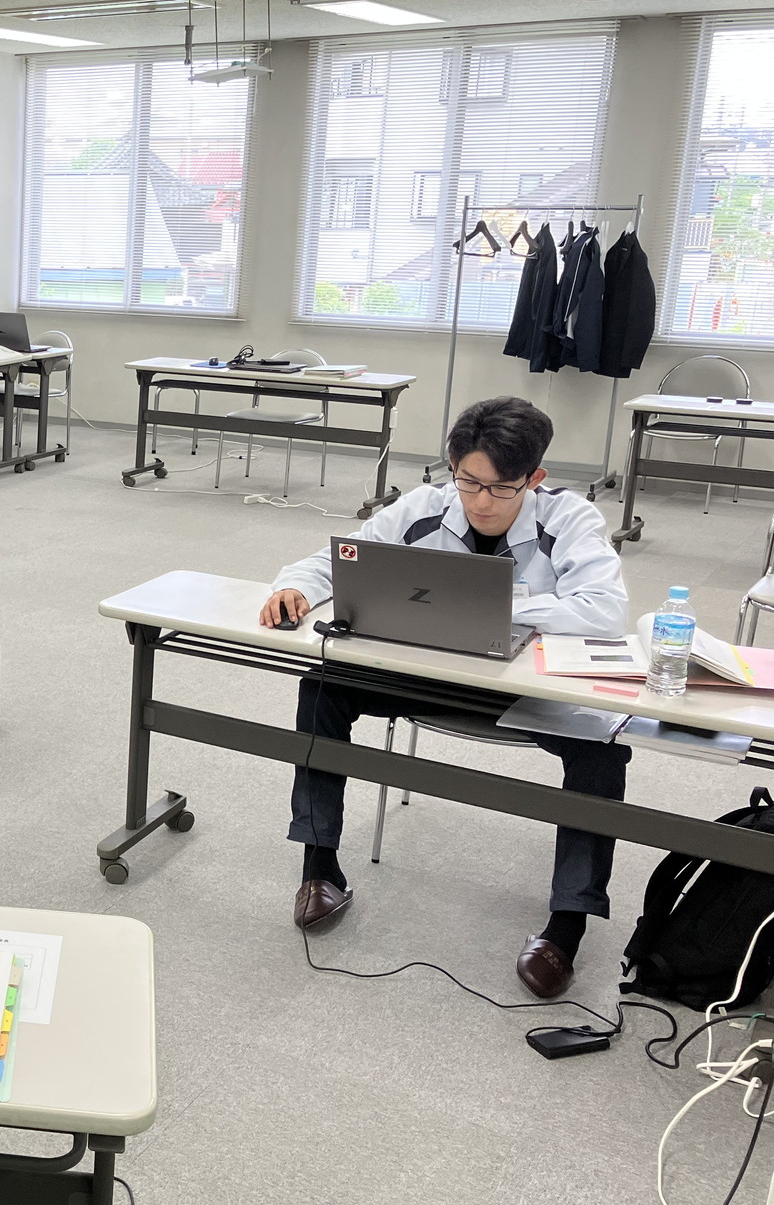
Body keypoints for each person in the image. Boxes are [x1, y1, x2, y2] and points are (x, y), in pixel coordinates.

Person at [260, 396, 629, 999]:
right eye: (468, 481)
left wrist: (491, 604)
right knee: (322, 685)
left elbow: (605, 612)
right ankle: (320, 867)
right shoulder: (424, 506)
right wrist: (295, 586)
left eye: (502, 488)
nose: (481, 501)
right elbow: (338, 558)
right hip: (428, 677)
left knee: (602, 747)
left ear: (534, 478)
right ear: (453, 467)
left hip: (525, 687)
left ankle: (568, 925)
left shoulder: (571, 519)